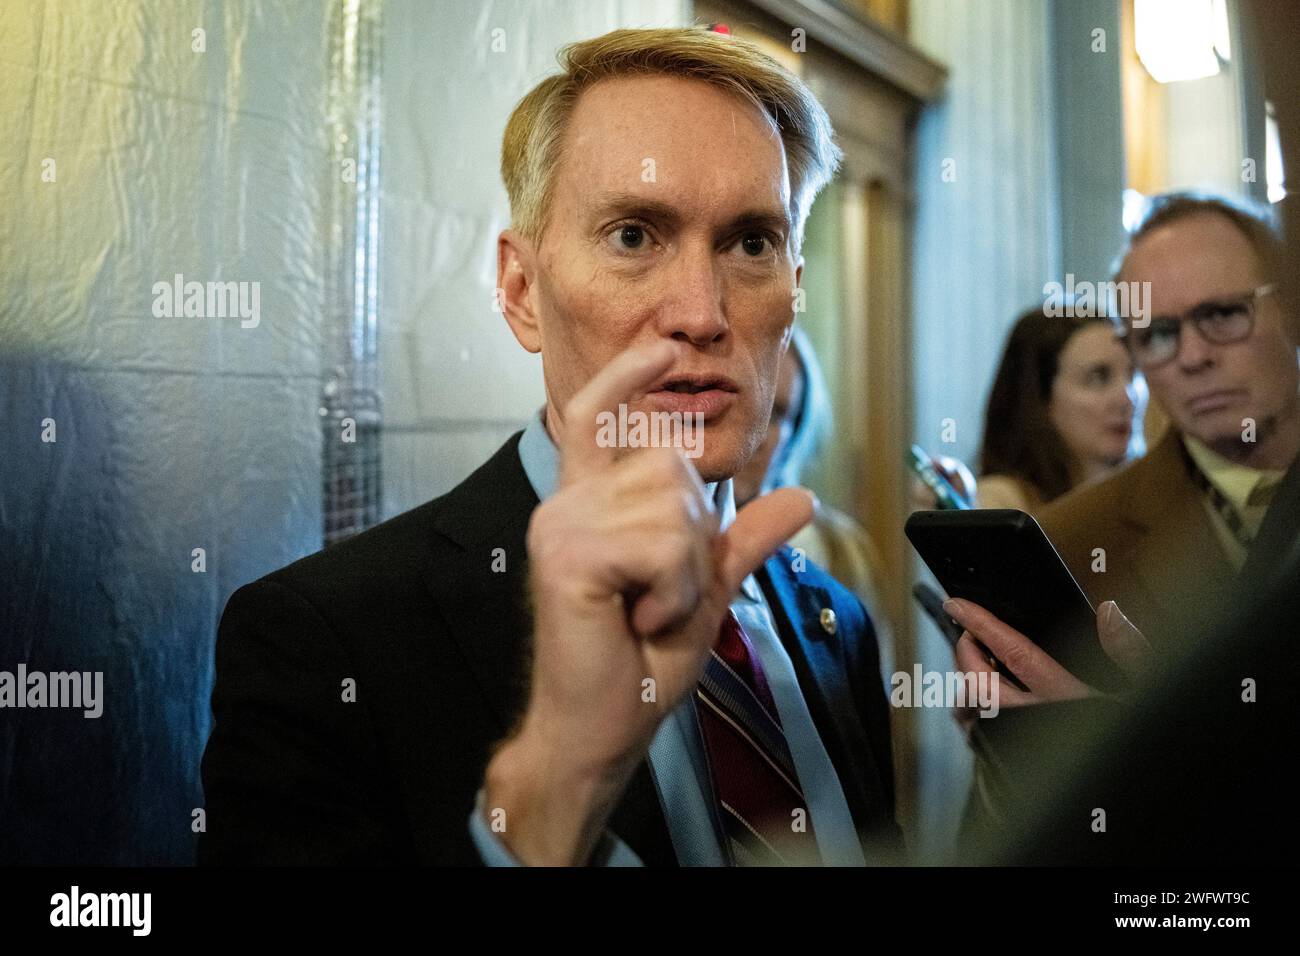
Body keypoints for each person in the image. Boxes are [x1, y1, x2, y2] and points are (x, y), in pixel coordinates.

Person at [199, 26, 903, 867]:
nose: (701, 313)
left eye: (752, 242)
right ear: (521, 290)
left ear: (793, 290)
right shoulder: (326, 643)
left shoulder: (839, 625)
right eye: (635, 236)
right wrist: (553, 793)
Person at [1039, 191, 1300, 642]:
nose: (1194, 356)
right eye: (1158, 335)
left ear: (1290, 310)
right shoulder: (1068, 546)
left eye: (1222, 313)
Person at [732, 325, 895, 680]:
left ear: (796, 434)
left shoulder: (842, 550)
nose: (756, 433)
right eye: (742, 402)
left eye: (776, 414)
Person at [975, 307, 1139, 514]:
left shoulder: (1151, 494)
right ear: (1039, 399)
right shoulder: (999, 501)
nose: (1127, 398)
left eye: (1132, 375)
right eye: (1098, 378)